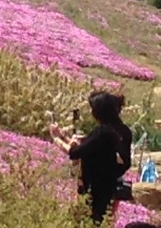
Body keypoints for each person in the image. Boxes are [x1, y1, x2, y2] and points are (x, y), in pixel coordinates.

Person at [58, 90, 133, 224]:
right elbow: (125, 162)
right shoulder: (124, 131)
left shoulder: (103, 132)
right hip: (111, 186)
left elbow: (75, 152)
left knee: (88, 220)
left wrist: (56, 138)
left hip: (93, 187)